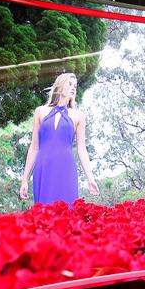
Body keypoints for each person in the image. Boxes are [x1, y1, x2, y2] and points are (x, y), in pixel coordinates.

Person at [19, 72, 99, 206]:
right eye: (70, 84)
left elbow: (82, 148)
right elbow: (34, 147)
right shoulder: (40, 111)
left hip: (66, 168)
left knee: (66, 213)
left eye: (75, 85)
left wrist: (90, 178)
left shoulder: (78, 116)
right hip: (43, 168)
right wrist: (25, 179)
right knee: (43, 215)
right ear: (60, 85)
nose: (73, 88)